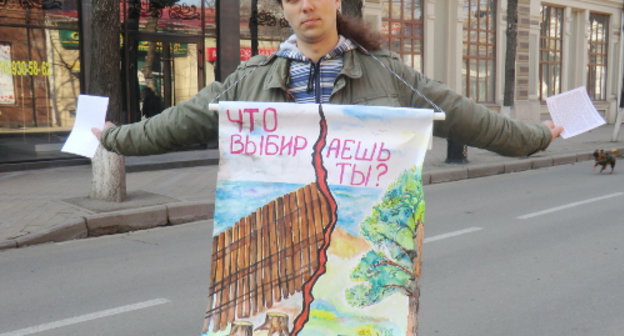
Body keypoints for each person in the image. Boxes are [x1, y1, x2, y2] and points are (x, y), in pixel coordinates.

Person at [93, 0, 563, 160]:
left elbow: (465, 116)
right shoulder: (249, 80)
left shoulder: (386, 72)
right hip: (277, 234)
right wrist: (114, 139)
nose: (306, 6)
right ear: (284, 7)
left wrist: (536, 137)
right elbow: (178, 123)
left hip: (365, 237)